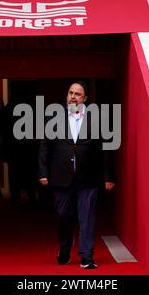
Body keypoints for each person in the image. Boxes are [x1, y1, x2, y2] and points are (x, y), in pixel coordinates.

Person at [38, 82, 115, 269]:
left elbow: (105, 150)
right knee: (63, 215)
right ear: (66, 96)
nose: (73, 96)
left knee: (86, 217)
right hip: (60, 176)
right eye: (70, 93)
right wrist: (43, 172)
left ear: (85, 99)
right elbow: (44, 147)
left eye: (78, 94)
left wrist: (108, 176)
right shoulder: (53, 118)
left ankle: (87, 256)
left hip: (88, 177)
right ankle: (65, 247)